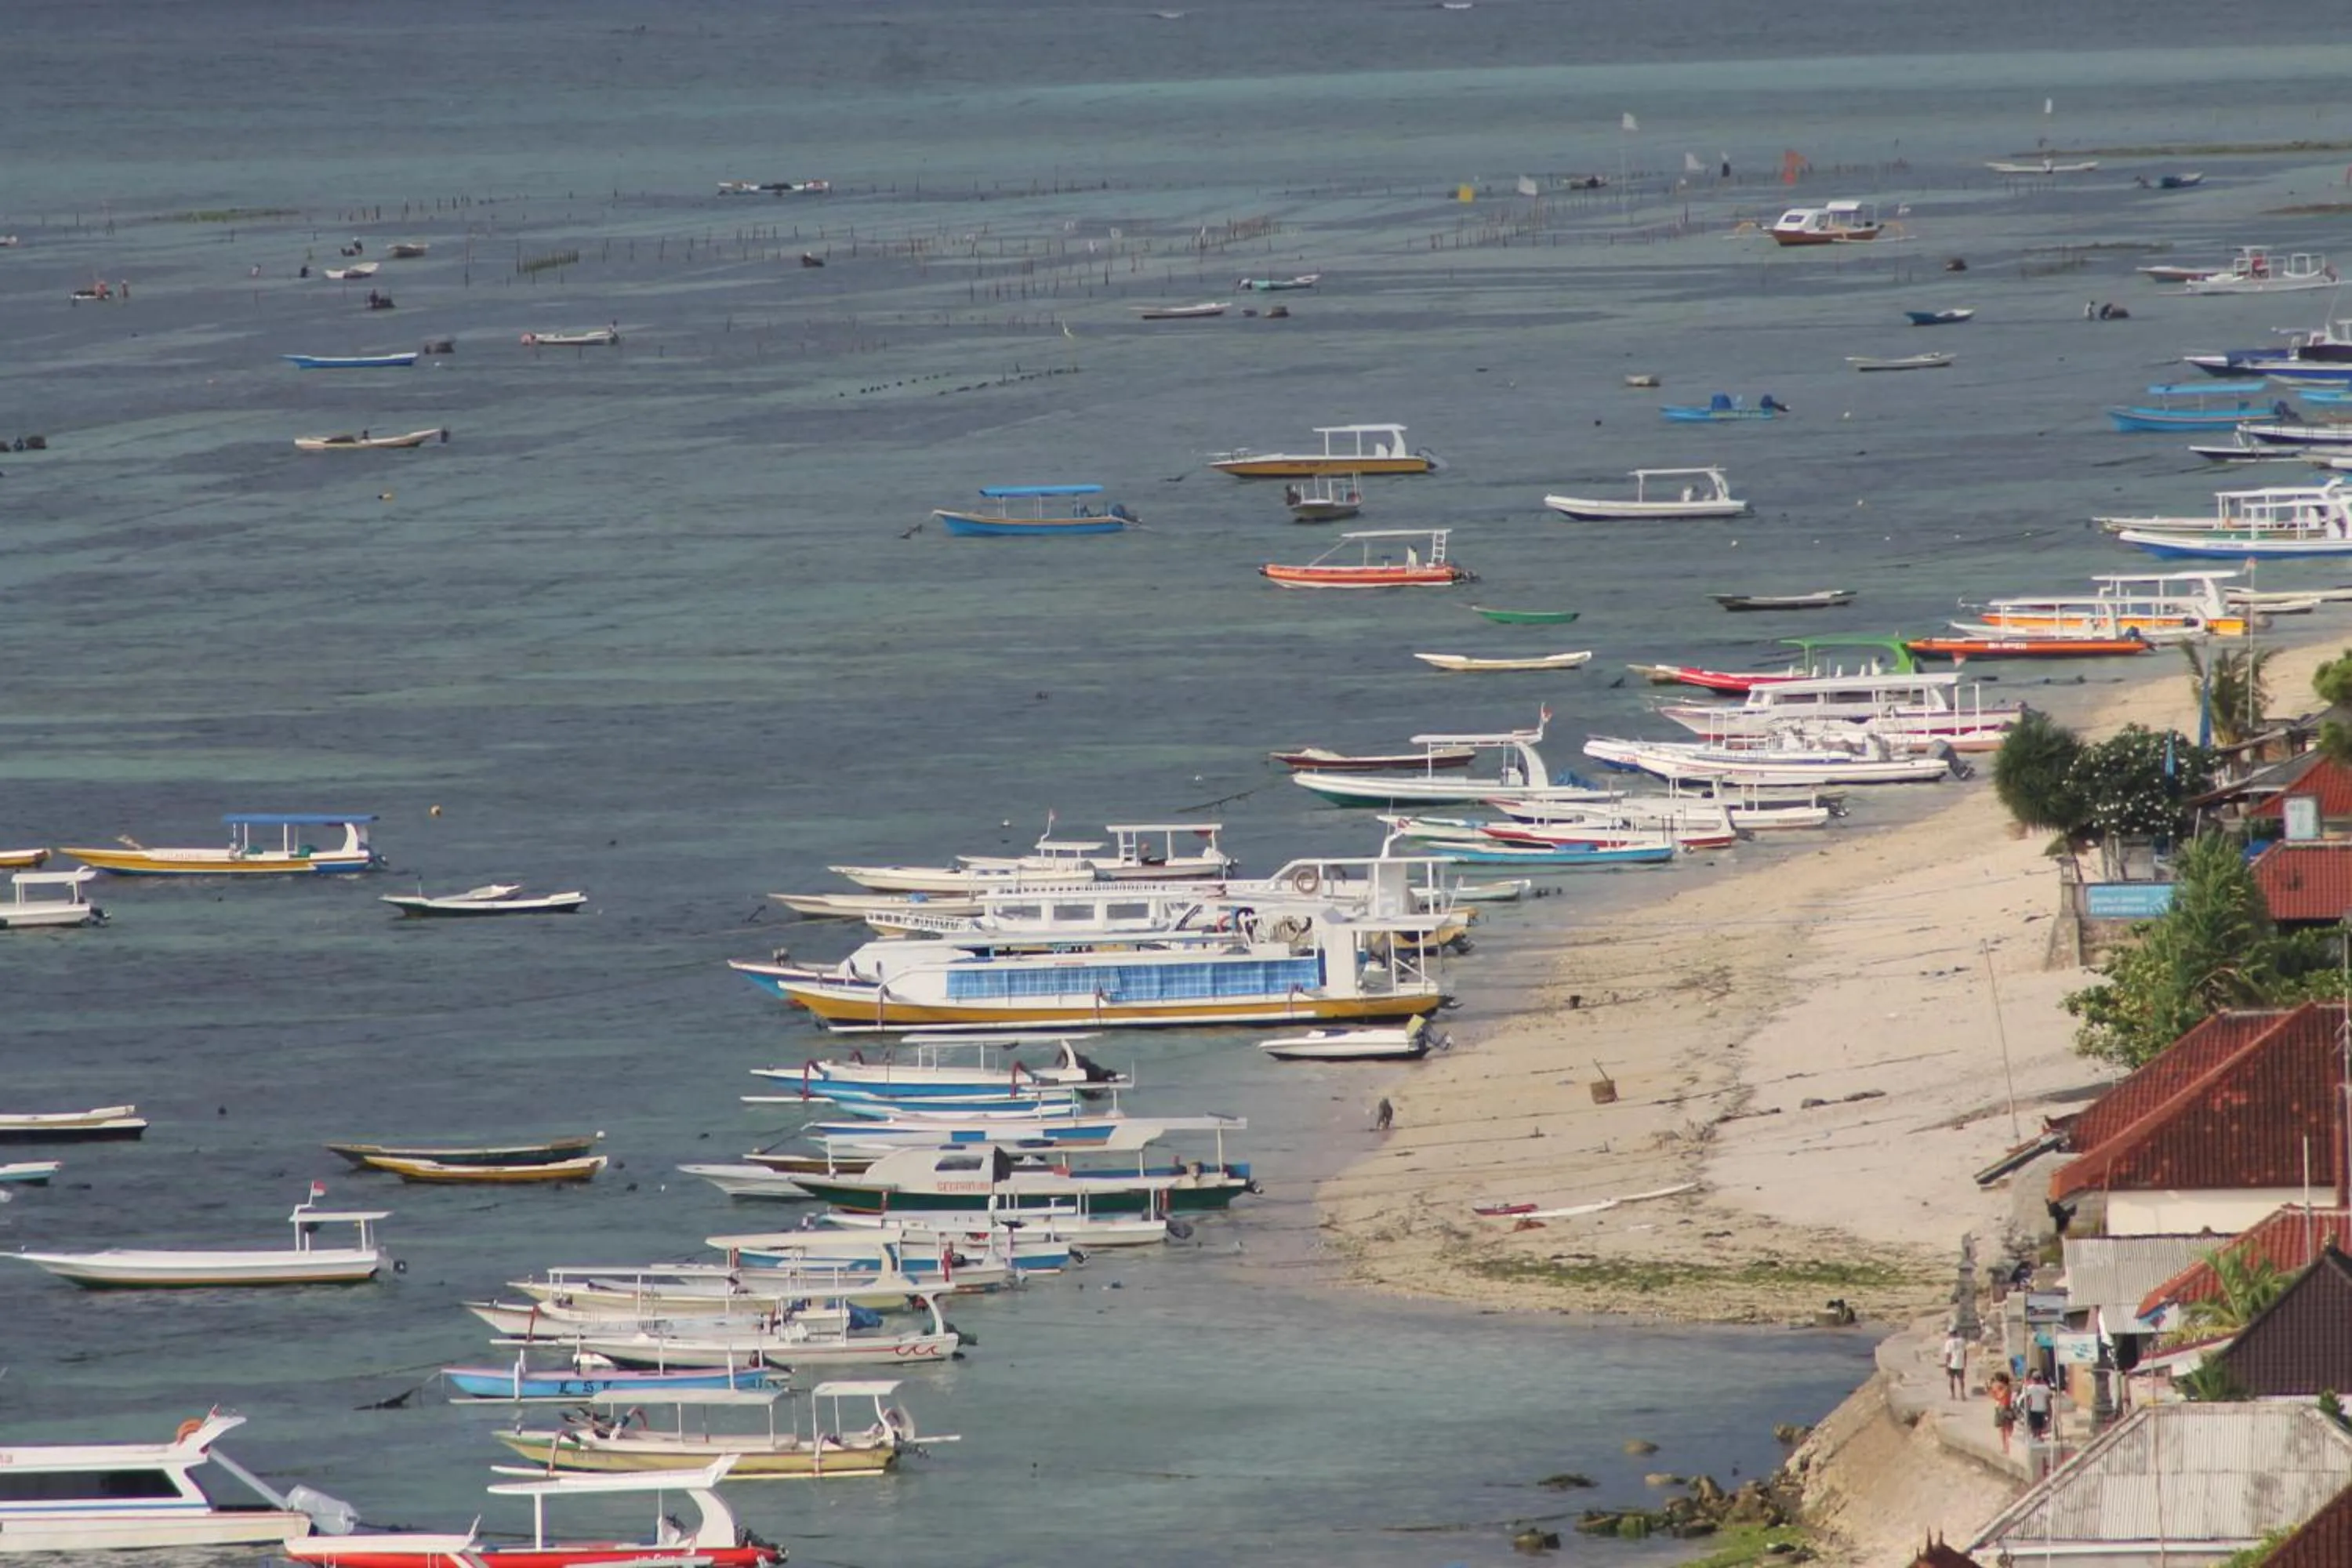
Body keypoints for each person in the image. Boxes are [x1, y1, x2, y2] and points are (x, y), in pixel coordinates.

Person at [2020, 1368, 2054, 1443]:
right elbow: (2050, 1396)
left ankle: (2035, 1437)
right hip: (2043, 1408)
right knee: (2040, 1425)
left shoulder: (2029, 1388)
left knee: (2034, 1425)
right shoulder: (2045, 1388)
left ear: (2033, 1379)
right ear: (2040, 1379)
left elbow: (2022, 1398)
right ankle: (2039, 1437)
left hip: (2033, 1409)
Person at [1990, 1371, 2016, 1454]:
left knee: (2005, 1429)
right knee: (2005, 1429)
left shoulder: (2005, 1388)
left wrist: (1994, 1391)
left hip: (2003, 1408)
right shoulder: (2006, 1388)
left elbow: (1999, 1397)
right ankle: (2006, 1447)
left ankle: (2006, 1447)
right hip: (2003, 1408)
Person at [1941, 1329, 1969, 1399]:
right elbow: (1965, 1352)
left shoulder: (1948, 1342)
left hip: (1952, 1363)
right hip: (1960, 1362)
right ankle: (1962, 1393)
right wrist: (1965, 1361)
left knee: (1951, 1379)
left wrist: (1947, 1364)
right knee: (1961, 1379)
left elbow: (1948, 1354)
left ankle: (1953, 1395)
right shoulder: (1962, 1341)